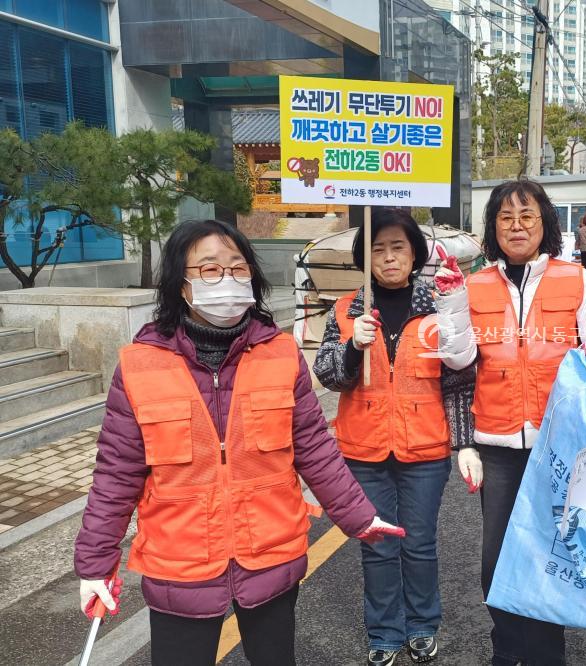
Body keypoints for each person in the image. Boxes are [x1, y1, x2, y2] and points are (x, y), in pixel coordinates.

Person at [73, 220, 397, 665]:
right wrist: (95, 564)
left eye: (237, 268)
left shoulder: (281, 354)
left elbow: (316, 450)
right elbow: (116, 473)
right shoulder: (138, 365)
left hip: (270, 554)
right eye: (209, 270)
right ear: (180, 285)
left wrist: (359, 517)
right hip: (179, 565)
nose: (227, 281)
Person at [433, 178, 586, 666]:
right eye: (506, 217)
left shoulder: (577, 279)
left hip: (561, 445)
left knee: (555, 556)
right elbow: (458, 362)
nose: (517, 225)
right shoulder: (474, 285)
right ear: (492, 227)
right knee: (498, 562)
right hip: (497, 446)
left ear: (545, 223)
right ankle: (509, 646)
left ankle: (545, 653)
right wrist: (450, 306)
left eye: (527, 215)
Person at [313, 209, 475, 666]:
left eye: (397, 247)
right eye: (377, 249)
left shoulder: (439, 303)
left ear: (414, 254)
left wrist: (463, 443)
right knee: (378, 544)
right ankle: (384, 632)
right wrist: (351, 348)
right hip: (363, 450)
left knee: (419, 543)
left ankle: (422, 625)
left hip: (424, 449)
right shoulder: (348, 308)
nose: (388, 257)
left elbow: (460, 381)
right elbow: (327, 374)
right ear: (365, 258)